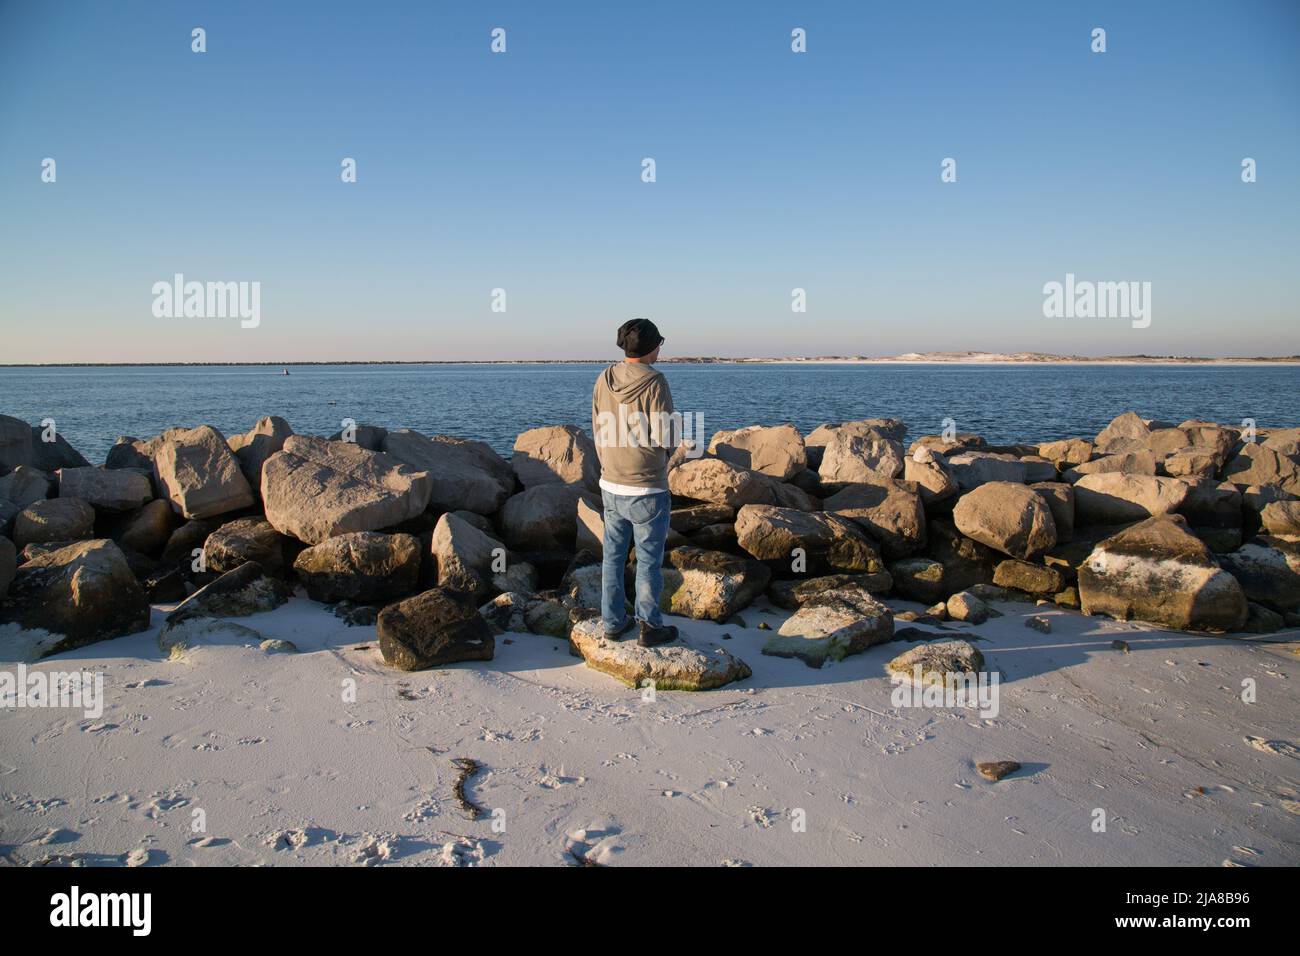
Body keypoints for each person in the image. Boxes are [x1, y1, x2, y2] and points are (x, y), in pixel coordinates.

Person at [591, 318, 680, 647]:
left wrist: (609, 462)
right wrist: (663, 457)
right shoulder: (656, 382)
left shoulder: (604, 378)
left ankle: (613, 622)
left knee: (612, 558)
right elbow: (666, 435)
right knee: (648, 561)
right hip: (646, 487)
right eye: (660, 343)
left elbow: (599, 428)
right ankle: (649, 625)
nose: (660, 349)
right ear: (652, 347)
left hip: (611, 483)